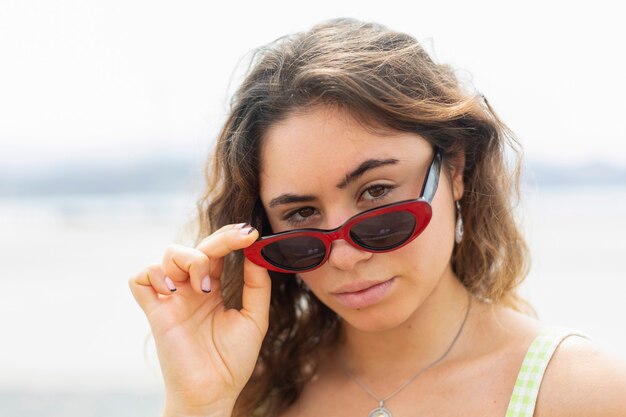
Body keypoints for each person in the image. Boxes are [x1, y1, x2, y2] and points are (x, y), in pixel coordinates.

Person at [129, 18, 626, 417]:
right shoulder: (255, 394)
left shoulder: (579, 393)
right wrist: (198, 403)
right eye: (301, 214)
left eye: (377, 193)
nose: (344, 256)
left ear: (455, 168)